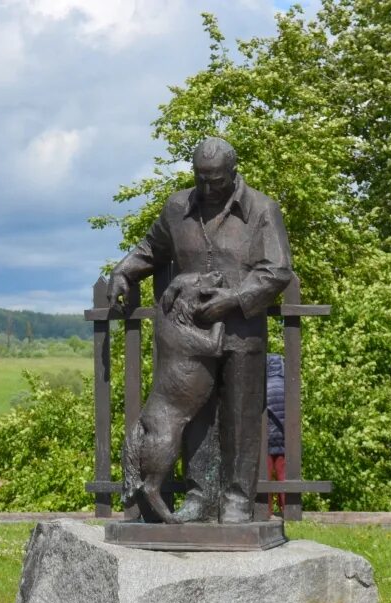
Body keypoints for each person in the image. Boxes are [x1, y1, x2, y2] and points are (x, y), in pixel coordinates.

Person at [107, 137, 292, 523]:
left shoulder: (261, 209)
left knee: (240, 417)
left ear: (234, 172)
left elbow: (276, 270)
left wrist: (234, 299)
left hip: (242, 332)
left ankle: (237, 500)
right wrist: (123, 271)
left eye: (217, 181)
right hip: (190, 341)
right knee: (194, 417)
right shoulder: (178, 208)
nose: (208, 188)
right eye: (201, 179)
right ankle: (199, 497)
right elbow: (150, 248)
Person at [265, 353, 286, 515]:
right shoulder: (286, 385)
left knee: (266, 476)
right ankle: (286, 510)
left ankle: (267, 511)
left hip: (266, 436)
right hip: (284, 436)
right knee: (283, 475)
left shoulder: (264, 385)